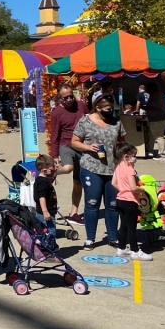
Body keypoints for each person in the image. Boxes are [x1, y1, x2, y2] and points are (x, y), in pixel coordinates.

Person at [71, 94, 126, 249]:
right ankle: (90, 238)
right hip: (91, 167)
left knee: (113, 204)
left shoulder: (116, 122)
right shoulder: (85, 121)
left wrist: (124, 162)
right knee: (92, 203)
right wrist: (88, 147)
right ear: (98, 108)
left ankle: (113, 237)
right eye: (108, 109)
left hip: (112, 169)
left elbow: (122, 143)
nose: (111, 111)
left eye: (112, 109)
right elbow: (74, 142)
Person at [49, 85, 86, 226]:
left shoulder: (82, 106)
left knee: (78, 183)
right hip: (66, 145)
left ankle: (73, 213)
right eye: (66, 97)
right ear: (60, 98)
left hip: (82, 146)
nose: (70, 99)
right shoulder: (57, 112)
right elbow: (54, 136)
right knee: (68, 167)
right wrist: (54, 156)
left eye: (71, 96)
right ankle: (49, 171)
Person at [112, 142, 153, 261]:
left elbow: (113, 183)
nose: (135, 159)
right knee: (131, 227)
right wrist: (144, 190)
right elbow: (134, 187)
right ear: (126, 157)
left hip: (120, 200)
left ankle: (121, 248)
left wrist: (123, 190)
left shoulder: (118, 167)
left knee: (123, 225)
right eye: (134, 156)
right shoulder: (130, 170)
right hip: (130, 202)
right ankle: (135, 251)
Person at [34, 155, 60, 249]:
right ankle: (50, 252)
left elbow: (52, 176)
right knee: (50, 233)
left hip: (44, 212)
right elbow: (42, 197)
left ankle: (47, 249)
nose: (53, 170)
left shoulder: (42, 180)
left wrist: (55, 168)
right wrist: (45, 211)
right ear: (44, 170)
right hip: (46, 214)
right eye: (52, 168)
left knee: (44, 233)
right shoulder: (43, 183)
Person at [143, 83, 165, 160]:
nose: (147, 90)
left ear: (151, 88)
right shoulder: (160, 94)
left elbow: (150, 107)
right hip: (161, 118)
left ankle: (162, 154)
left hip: (157, 119)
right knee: (151, 135)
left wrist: (141, 107)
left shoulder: (154, 95)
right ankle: (149, 150)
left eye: (148, 88)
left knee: (159, 137)